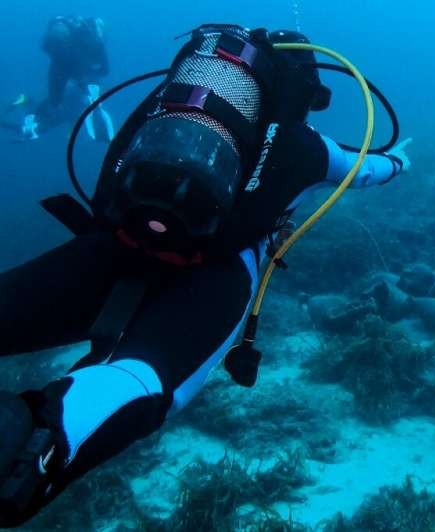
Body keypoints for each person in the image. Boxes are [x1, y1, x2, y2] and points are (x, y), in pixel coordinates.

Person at [0, 25, 412, 526]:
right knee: (144, 376)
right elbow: (367, 168)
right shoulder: (308, 146)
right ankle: (34, 447)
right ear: (301, 93)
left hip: (116, 245)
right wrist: (401, 161)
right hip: (218, 273)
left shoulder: (167, 105)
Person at [3, 16, 114, 142]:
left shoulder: (76, 43)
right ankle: (28, 114)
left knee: (55, 103)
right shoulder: (92, 43)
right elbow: (104, 70)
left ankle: (26, 104)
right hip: (76, 73)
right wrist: (91, 75)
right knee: (77, 105)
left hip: (60, 68)